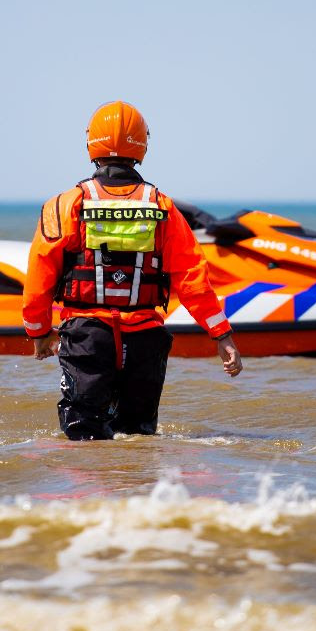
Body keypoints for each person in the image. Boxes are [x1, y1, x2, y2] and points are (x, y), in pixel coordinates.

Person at [22, 101, 242, 440]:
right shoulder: (162, 206)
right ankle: (138, 491)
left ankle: (93, 494)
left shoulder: (63, 205)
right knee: (138, 439)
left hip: (87, 339)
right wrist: (221, 335)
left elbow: (39, 275)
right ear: (143, 146)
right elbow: (192, 278)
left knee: (83, 437)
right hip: (145, 342)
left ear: (90, 143)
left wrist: (39, 333)